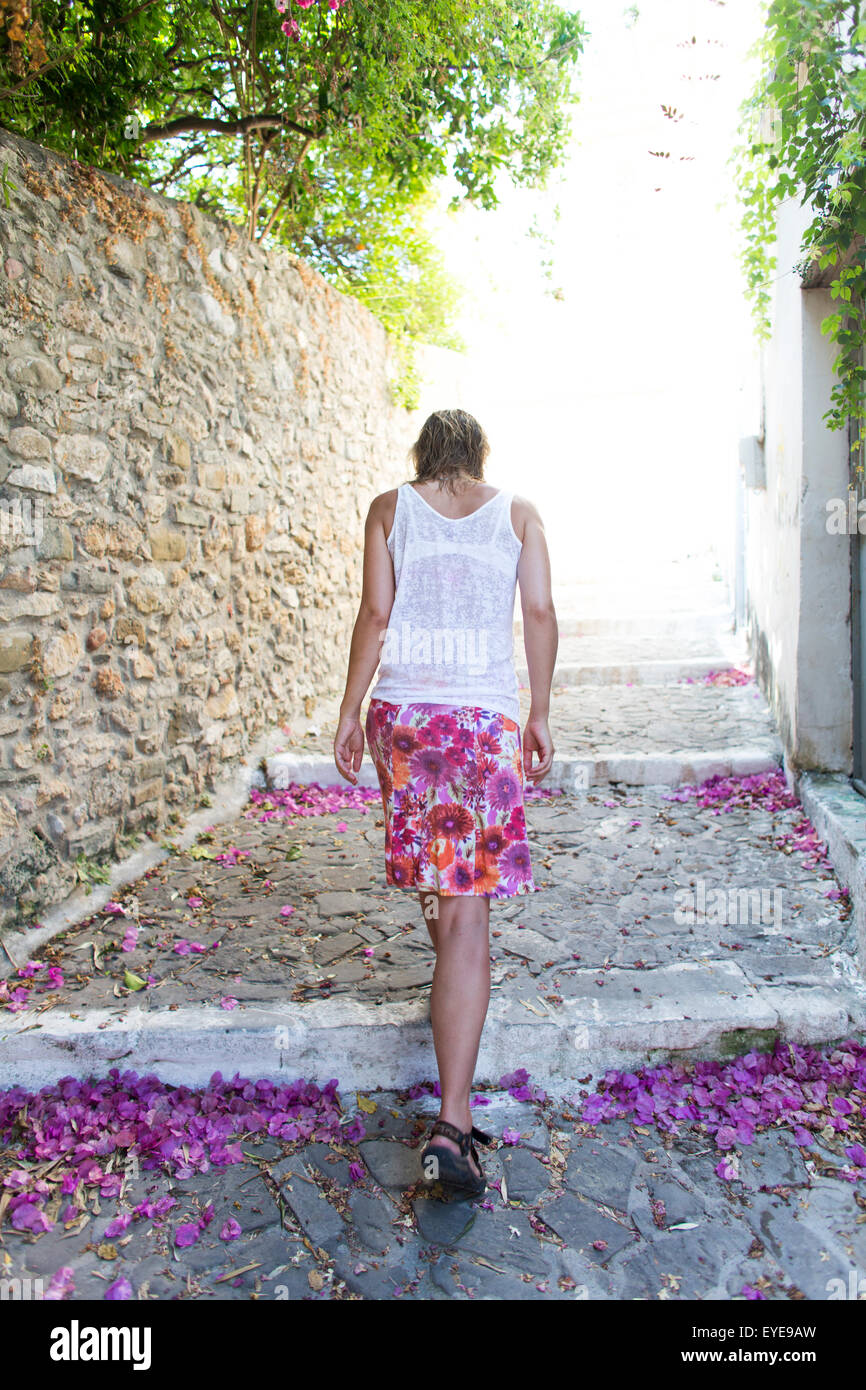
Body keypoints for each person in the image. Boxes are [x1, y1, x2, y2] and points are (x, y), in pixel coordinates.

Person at [333, 408, 557, 1197]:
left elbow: (374, 613)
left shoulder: (390, 511)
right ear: (479, 455)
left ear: (423, 455)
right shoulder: (518, 515)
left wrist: (348, 710)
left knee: (444, 893)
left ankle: (453, 1010)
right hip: (480, 723)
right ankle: (453, 1124)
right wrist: (539, 711)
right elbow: (537, 614)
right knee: (468, 916)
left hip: (407, 719)